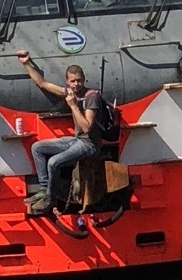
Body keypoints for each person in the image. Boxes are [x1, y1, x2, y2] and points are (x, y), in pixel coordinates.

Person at [17, 54, 119, 216]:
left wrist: (72, 106)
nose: (76, 84)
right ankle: (44, 189)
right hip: (77, 141)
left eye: (79, 80)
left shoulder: (91, 97)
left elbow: (87, 127)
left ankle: (51, 198)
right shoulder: (70, 92)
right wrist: (26, 63)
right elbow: (42, 83)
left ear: (83, 79)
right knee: (37, 147)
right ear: (67, 82)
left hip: (89, 145)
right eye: (73, 81)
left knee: (53, 163)